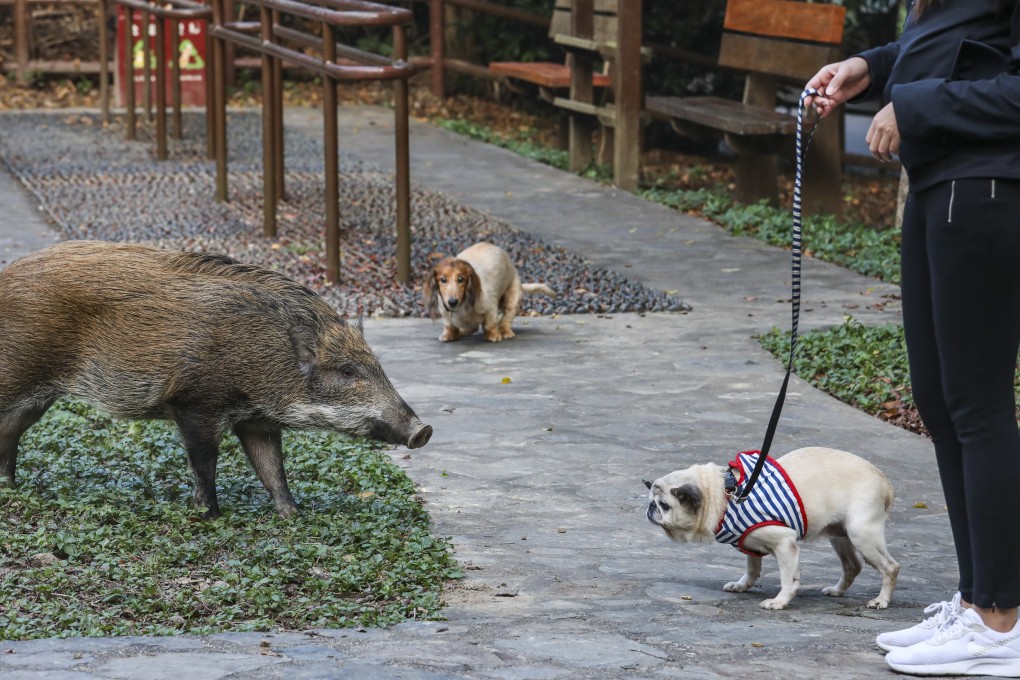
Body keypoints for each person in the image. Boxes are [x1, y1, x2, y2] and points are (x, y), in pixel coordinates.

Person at [805, 0, 1020, 676]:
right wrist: (869, 67)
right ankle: (977, 593)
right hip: (938, 184)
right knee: (940, 399)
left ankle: (1001, 621)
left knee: (978, 407)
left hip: (987, 187)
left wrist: (917, 108)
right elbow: (948, 44)